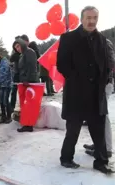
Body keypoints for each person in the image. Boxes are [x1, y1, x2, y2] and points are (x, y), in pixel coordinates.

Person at [57, 6, 113, 174]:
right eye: (88, 17)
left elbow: (106, 65)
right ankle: (66, 158)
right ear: (82, 19)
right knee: (73, 129)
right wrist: (78, 80)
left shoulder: (102, 39)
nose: (91, 21)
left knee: (99, 129)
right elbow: (62, 65)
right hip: (76, 93)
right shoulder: (68, 38)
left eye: (94, 17)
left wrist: (103, 83)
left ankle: (101, 161)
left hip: (96, 94)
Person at [82, 39, 115, 158]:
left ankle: (107, 149)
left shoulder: (104, 43)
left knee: (103, 116)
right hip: (97, 85)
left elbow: (110, 63)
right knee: (96, 116)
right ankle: (99, 145)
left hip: (104, 85)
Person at [13, 39, 39, 132]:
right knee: (25, 104)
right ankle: (27, 123)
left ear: (22, 44)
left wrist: (28, 80)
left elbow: (32, 67)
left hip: (30, 82)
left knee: (29, 104)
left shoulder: (29, 52)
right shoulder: (22, 54)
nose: (17, 49)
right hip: (24, 82)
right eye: (16, 48)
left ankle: (29, 125)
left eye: (18, 46)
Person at [10, 36, 22, 111]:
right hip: (16, 74)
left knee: (21, 91)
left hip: (22, 74)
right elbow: (11, 59)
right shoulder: (14, 52)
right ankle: (12, 106)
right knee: (14, 90)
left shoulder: (24, 51)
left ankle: (21, 105)